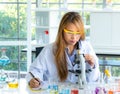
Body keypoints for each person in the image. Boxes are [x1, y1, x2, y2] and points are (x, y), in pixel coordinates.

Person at [26, 11, 100, 88]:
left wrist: (92, 65)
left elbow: (94, 80)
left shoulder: (87, 47)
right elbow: (34, 71)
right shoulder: (49, 50)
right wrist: (33, 80)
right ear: (62, 31)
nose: (74, 37)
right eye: (70, 32)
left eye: (78, 33)